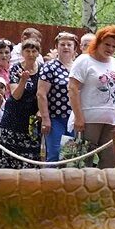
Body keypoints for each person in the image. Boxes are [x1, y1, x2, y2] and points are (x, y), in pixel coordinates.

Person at [68, 25, 115, 169]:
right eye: (107, 44)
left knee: (110, 159)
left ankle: (100, 189)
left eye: (114, 46)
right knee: (82, 160)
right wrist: (78, 117)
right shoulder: (84, 60)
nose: (110, 49)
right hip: (89, 118)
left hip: (110, 119)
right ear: (98, 42)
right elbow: (73, 89)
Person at [0, 40, 44, 169]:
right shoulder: (16, 68)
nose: (30, 54)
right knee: (6, 150)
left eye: (34, 51)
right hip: (14, 114)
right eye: (27, 51)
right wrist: (23, 80)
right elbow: (15, 95)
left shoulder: (43, 68)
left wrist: (41, 110)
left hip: (31, 117)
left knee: (30, 152)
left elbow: (44, 92)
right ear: (22, 52)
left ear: (38, 53)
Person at [37, 31, 79, 162]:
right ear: (57, 47)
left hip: (74, 119)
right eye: (62, 44)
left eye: (69, 45)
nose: (66, 47)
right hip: (55, 118)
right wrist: (45, 119)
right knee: (54, 155)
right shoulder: (50, 67)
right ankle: (51, 182)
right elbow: (41, 93)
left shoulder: (78, 67)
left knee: (70, 157)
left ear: (75, 48)